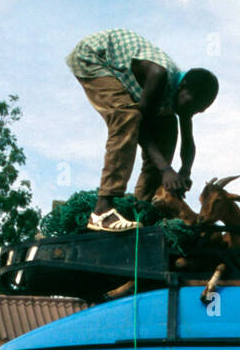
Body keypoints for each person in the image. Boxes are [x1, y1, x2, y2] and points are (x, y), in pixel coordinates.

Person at [66, 28, 219, 232]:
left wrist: (184, 173)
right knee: (127, 116)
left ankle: (139, 207)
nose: (194, 111)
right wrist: (166, 170)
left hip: (125, 74)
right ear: (184, 87)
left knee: (168, 128)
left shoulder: (183, 100)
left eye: (200, 110)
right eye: (194, 105)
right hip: (94, 58)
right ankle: (102, 210)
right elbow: (139, 128)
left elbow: (188, 142)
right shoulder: (159, 75)